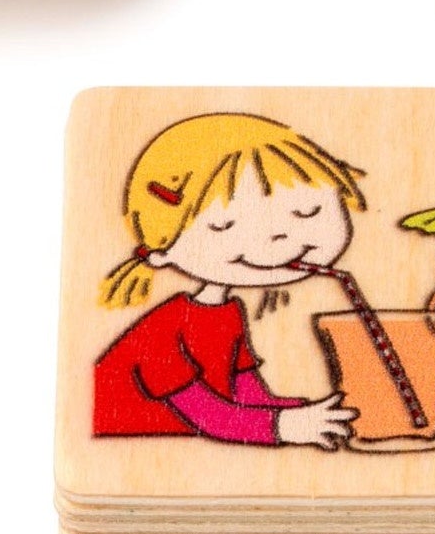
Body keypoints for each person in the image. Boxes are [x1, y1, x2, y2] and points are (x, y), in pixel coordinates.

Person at [93, 113, 362, 448]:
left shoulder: (228, 312)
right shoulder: (160, 331)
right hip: (140, 449)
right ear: (161, 251)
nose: (279, 236)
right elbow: (207, 416)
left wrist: (309, 414)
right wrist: (284, 426)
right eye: (224, 226)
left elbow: (246, 394)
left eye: (308, 212)